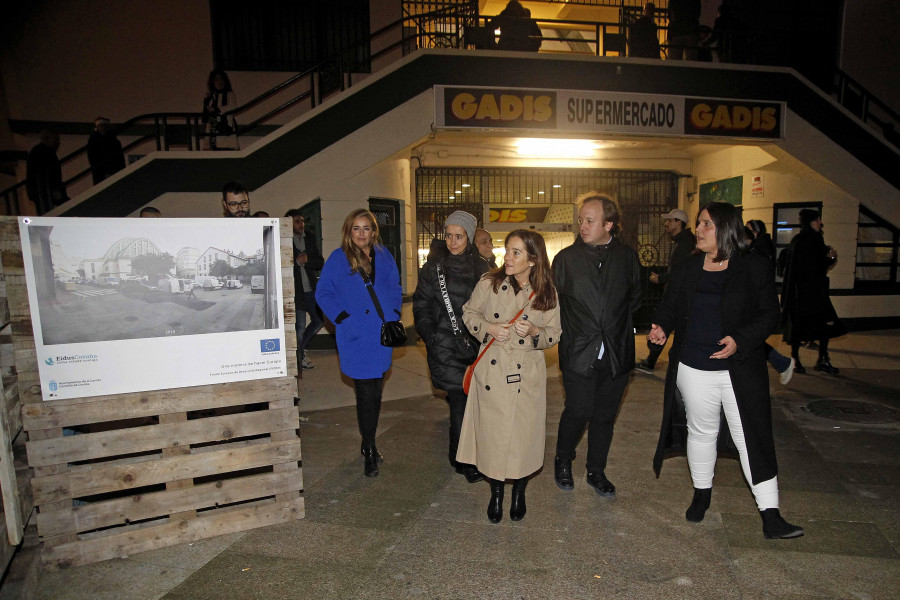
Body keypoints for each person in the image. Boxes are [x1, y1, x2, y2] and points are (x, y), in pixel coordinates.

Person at [650, 202, 804, 539]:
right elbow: (670, 306)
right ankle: (701, 494)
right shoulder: (688, 268)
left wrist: (741, 339)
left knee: (750, 435)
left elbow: (768, 314)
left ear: (726, 228)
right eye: (700, 224)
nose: (700, 230)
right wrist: (661, 326)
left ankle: (771, 514)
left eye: (706, 224)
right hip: (693, 366)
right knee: (701, 431)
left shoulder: (753, 266)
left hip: (740, 368)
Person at [458, 230, 560, 523]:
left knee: (523, 441)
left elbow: (554, 335)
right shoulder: (489, 283)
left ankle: (519, 492)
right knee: (494, 439)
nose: (508, 258)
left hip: (526, 374)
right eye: (508, 250)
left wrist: (534, 332)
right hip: (493, 370)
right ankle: (497, 494)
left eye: (517, 252)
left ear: (533, 259)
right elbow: (469, 314)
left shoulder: (547, 293)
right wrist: (489, 328)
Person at [552, 193, 641, 498]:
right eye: (581, 220)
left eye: (590, 220)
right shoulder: (565, 260)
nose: (583, 226)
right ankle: (563, 459)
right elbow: (556, 303)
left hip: (616, 352)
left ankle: (596, 471)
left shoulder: (628, 258)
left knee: (605, 415)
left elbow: (635, 298)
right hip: (578, 350)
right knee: (578, 409)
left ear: (609, 224)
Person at [316, 208, 403, 478]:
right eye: (356, 228)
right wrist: (343, 318)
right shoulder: (338, 258)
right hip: (355, 336)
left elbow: (395, 286)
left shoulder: (384, 255)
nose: (361, 233)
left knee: (375, 392)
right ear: (348, 231)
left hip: (381, 334)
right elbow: (323, 292)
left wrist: (394, 314)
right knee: (366, 393)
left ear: (373, 231)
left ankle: (369, 441)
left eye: (366, 228)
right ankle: (369, 445)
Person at [413, 211, 490, 483]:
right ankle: (462, 459)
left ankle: (466, 454)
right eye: (449, 235)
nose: (453, 242)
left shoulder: (482, 268)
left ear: (469, 237)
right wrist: (430, 335)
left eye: (459, 236)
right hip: (445, 344)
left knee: (472, 401)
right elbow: (421, 304)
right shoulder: (432, 267)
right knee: (460, 399)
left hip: (476, 344)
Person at [781, 209, 844, 375]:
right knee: (807, 326)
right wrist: (830, 257)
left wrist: (829, 257)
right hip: (807, 293)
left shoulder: (804, 240)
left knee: (822, 323)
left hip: (809, 293)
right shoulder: (808, 240)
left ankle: (815, 359)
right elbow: (815, 267)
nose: (820, 223)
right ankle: (804, 359)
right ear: (810, 221)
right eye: (817, 220)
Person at [636, 208, 696, 373]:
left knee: (663, 324)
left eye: (670, 220)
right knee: (663, 326)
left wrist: (660, 279)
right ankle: (651, 361)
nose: (666, 224)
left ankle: (652, 362)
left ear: (679, 222)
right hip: (675, 292)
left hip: (678, 295)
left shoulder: (685, 243)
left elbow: (680, 271)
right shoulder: (680, 241)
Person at [746, 219, 794, 384]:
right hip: (758, 304)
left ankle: (783, 363)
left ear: (756, 233)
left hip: (757, 305)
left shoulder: (759, 251)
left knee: (751, 340)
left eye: (748, 229)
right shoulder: (760, 248)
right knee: (751, 341)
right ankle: (782, 363)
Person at [286, 209, 324, 370]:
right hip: (295, 292)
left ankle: (301, 348)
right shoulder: (284, 240)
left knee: (319, 321)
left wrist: (306, 262)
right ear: (289, 223)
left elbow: (319, 262)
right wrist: (296, 262)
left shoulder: (309, 238)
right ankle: (299, 357)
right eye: (297, 221)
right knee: (299, 327)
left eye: (302, 220)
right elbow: (280, 266)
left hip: (311, 290)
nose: (301, 224)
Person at [26, 129, 67, 214]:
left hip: (44, 190)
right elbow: (49, 173)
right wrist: (55, 189)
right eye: (55, 139)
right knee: (47, 212)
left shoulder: (41, 151)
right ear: (47, 139)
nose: (58, 142)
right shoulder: (43, 152)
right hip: (44, 190)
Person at [203, 70, 238, 150]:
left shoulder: (230, 94)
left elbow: (233, 106)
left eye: (221, 79)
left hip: (226, 126)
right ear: (212, 82)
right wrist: (206, 100)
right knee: (214, 149)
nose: (219, 82)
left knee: (227, 148)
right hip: (213, 126)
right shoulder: (211, 96)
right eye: (216, 79)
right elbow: (205, 113)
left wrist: (216, 109)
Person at [87, 117, 126, 184]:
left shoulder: (114, 141)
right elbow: (93, 159)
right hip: (101, 173)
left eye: (103, 126)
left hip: (113, 171)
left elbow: (119, 158)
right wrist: (103, 173)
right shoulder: (93, 141)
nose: (102, 128)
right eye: (100, 126)